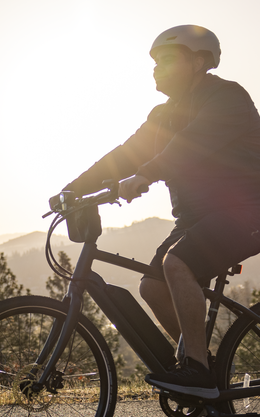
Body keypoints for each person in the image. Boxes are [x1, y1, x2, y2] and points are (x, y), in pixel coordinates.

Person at [61, 25, 260, 398]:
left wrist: (146, 174)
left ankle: (198, 372)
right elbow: (124, 155)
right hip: (196, 219)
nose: (157, 68)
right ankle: (201, 367)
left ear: (199, 62)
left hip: (246, 210)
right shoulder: (163, 114)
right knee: (152, 287)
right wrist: (73, 188)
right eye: (154, 62)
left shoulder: (226, 98)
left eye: (167, 60)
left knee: (177, 263)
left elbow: (190, 147)